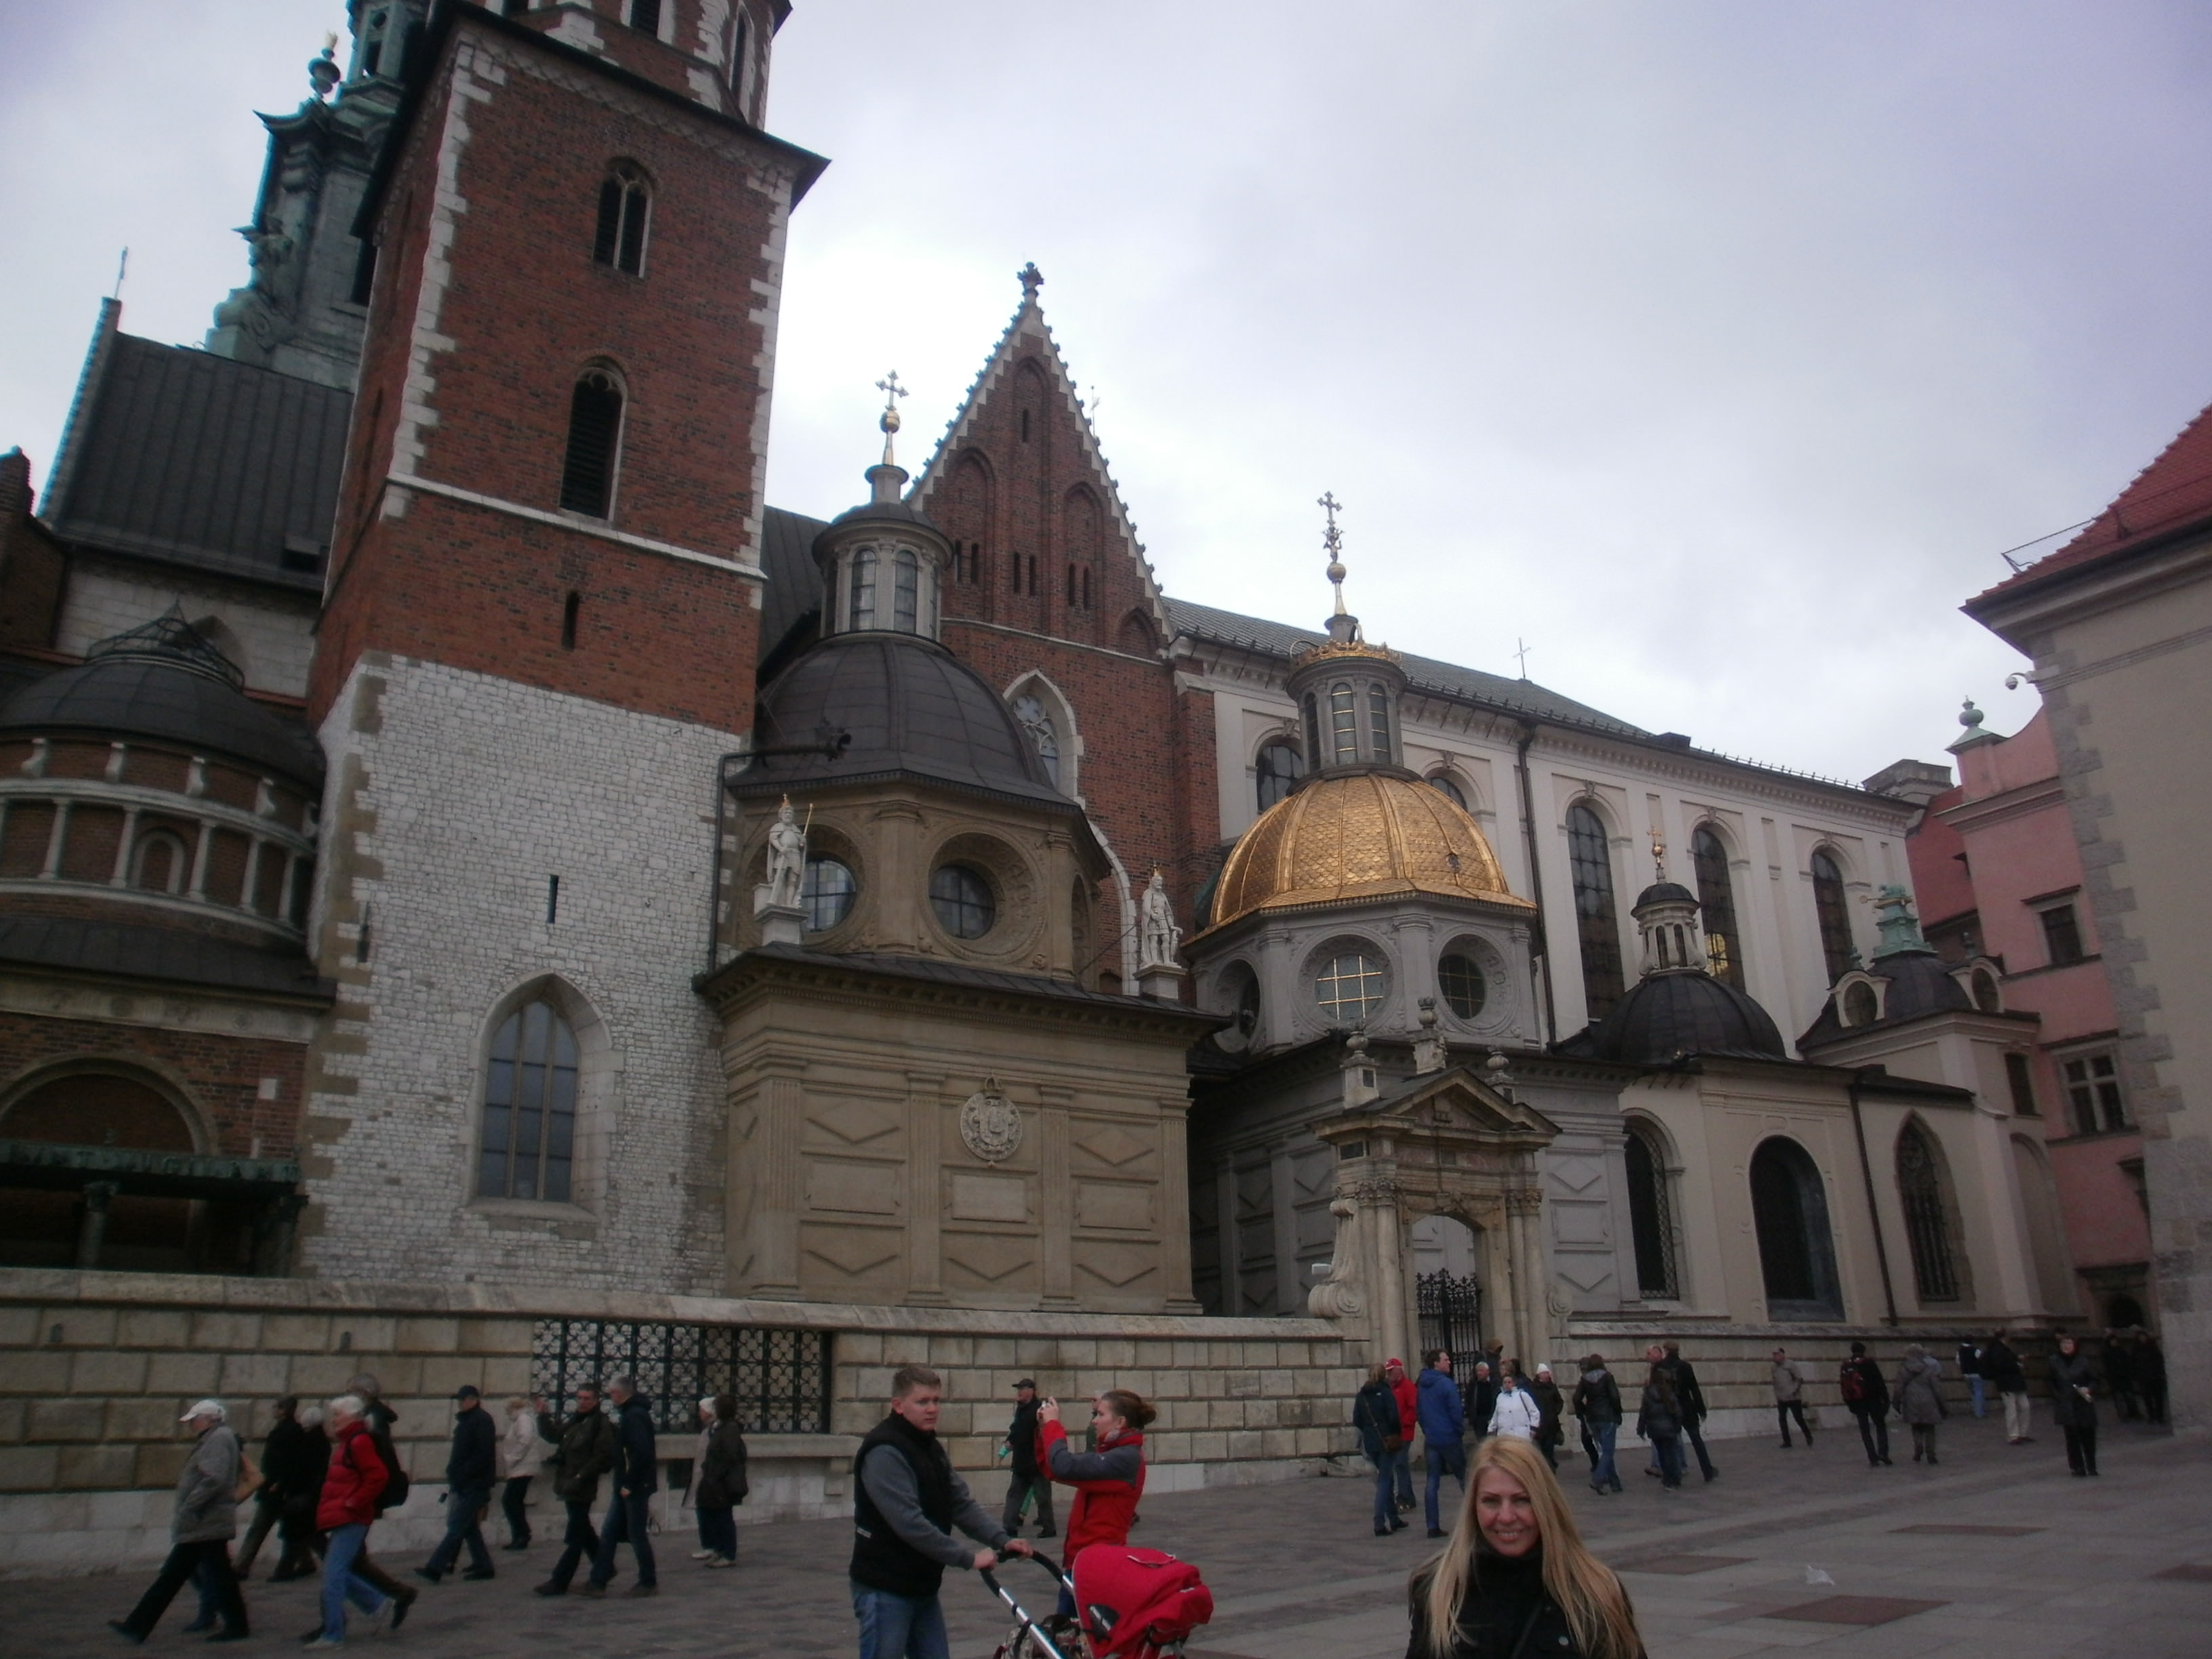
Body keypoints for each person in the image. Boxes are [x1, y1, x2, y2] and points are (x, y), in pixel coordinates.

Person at [1406, 1435, 1647, 1659]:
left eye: (1522, 1500)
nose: (1507, 1516)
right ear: (1473, 1507)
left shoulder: (1596, 1591)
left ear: (1545, 1504)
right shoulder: (1439, 1589)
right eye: (1491, 1501)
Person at [849, 1363, 1031, 1659]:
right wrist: (968, 1558)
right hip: (885, 1586)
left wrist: (1001, 1539)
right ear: (898, 1405)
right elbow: (909, 1523)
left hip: (921, 1585)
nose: (932, 1409)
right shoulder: (885, 1451)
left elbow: (959, 1502)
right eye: (922, 1402)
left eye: (936, 1400)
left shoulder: (928, 1444)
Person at [107, 1399, 251, 1645]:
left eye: (195, 1419)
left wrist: (190, 1505)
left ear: (208, 1418)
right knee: (213, 1576)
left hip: (204, 1521)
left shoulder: (217, 1439)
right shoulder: (217, 1437)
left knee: (173, 1576)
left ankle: (138, 1625)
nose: (192, 1424)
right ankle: (237, 1624)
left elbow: (213, 1479)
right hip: (206, 1522)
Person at [1040, 1388, 1152, 1618]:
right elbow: (1052, 1467)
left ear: (1120, 1422)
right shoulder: (1113, 1453)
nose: (1095, 1422)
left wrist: (1053, 1425)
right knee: (1066, 1638)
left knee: (1087, 1640)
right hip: (1080, 1562)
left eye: (1100, 1415)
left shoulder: (1125, 1458)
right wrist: (1041, 1428)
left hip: (1098, 1566)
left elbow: (1064, 1466)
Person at [306, 1393, 390, 1649]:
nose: (333, 1420)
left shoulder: (358, 1441)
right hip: (344, 1516)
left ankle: (333, 1634)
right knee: (337, 1572)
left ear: (353, 1416)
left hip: (352, 1517)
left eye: (337, 1415)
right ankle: (377, 1603)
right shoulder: (348, 1441)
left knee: (333, 1575)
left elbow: (378, 1475)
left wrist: (353, 1502)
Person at [343, 1372, 418, 1623]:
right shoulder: (373, 1418)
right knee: (349, 1558)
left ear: (362, 1394)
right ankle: (398, 1594)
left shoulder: (371, 1420)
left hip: (363, 1498)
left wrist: (359, 1496)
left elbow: (374, 1465)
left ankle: (333, 1621)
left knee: (344, 1559)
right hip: (363, 1497)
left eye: (351, 1391)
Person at [532, 1382, 618, 1597]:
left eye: (587, 1398)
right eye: (579, 1397)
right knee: (584, 1531)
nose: (582, 1402)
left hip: (583, 1485)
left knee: (576, 1535)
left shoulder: (600, 1423)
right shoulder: (576, 1421)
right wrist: (543, 1416)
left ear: (597, 1400)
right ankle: (605, 1567)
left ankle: (559, 1580)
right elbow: (554, 1435)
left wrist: (582, 1476)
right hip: (567, 1482)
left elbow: (602, 1456)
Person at [584, 1372, 659, 1596]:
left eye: (611, 1394)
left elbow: (640, 1453)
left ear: (618, 1394)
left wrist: (629, 1483)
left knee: (636, 1534)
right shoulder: (633, 1414)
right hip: (626, 1485)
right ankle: (598, 1581)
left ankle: (648, 1581)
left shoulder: (634, 1416)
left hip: (633, 1486)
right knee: (609, 1533)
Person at [418, 1383, 497, 1582]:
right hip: (466, 1481)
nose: (460, 1404)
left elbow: (483, 1453)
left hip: (474, 1482)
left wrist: (463, 1473)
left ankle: (435, 1567)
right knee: (469, 1527)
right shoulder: (469, 1420)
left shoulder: (481, 1421)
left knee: (456, 1526)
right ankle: (484, 1565)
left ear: (473, 1400)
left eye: (462, 1400)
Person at [230, 1395, 300, 1580]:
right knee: (295, 1530)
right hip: (277, 1487)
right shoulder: (287, 1430)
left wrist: (279, 1483)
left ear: (283, 1410)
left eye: (276, 1407)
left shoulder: (289, 1431)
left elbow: (289, 1462)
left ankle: (242, 1565)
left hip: (276, 1489)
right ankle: (305, 1560)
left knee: (260, 1527)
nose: (274, 1410)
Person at [691, 1394, 748, 1568]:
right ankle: (718, 1548)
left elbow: (729, 1455)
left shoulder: (730, 1429)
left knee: (723, 1517)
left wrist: (716, 1473)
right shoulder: (720, 1427)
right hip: (713, 1480)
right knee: (711, 1514)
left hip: (722, 1482)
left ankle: (728, 1553)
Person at [1417, 1351, 1468, 1538]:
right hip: (1449, 1438)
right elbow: (1456, 1411)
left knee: (1432, 1482)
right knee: (1465, 1479)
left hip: (1431, 1439)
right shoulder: (1446, 1384)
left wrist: (1427, 1429)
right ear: (1436, 1363)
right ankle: (1476, 1518)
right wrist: (1458, 1431)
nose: (1449, 1362)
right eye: (1446, 1360)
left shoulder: (1422, 1385)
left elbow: (1420, 1412)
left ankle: (1432, 1525)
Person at [1357, 1363, 1411, 1536]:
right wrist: (1394, 1432)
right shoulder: (1386, 1392)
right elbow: (1394, 1416)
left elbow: (1356, 1419)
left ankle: (1394, 1519)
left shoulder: (1362, 1395)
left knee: (1386, 1478)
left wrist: (1369, 1431)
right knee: (1385, 1481)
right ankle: (1379, 1522)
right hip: (1386, 1441)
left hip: (1371, 1442)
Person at [1000, 1378, 1057, 1541]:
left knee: (1043, 1497)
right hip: (1022, 1461)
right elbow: (1016, 1428)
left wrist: (1011, 1441)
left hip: (1037, 1461)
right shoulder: (1021, 1409)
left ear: (1032, 1390)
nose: (1019, 1392)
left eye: (1022, 1388)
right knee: (1015, 1495)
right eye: (1018, 1388)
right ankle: (1009, 1527)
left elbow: (1035, 1431)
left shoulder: (1039, 1410)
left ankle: (1048, 1527)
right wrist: (1009, 1441)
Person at [1661, 1345, 1716, 1483]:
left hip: (1669, 1409)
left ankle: (1673, 1475)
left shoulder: (1659, 1367)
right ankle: (1707, 1470)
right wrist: (1701, 1410)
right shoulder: (1685, 1366)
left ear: (1666, 1351)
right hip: (1687, 1407)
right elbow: (1694, 1389)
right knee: (1696, 1440)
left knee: (1671, 1443)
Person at [1570, 1355, 1622, 1496]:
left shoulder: (1585, 1379)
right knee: (1608, 1451)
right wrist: (1618, 1413)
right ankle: (1598, 1479)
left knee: (1605, 1450)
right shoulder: (1607, 1377)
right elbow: (1615, 1397)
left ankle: (1615, 1483)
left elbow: (1576, 1398)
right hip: (1607, 1416)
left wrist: (1583, 1410)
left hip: (1593, 1418)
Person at [501, 1393, 547, 1549]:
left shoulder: (523, 1419)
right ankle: (520, 1535)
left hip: (522, 1467)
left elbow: (525, 1440)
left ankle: (522, 1534)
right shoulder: (522, 1419)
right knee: (514, 1501)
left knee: (510, 1501)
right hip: (521, 1467)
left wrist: (513, 1458)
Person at [2051, 1335, 2100, 1477]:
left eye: (2069, 1343)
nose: (2066, 1346)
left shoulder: (2084, 1361)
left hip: (2083, 1403)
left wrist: (2088, 1389)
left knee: (2088, 1436)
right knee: (2072, 1437)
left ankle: (2091, 1465)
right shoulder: (2054, 1361)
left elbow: (2095, 1380)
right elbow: (2050, 1381)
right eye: (2063, 1344)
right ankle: (2077, 1466)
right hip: (2066, 1404)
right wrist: (2058, 1396)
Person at [1839, 1343, 1892, 1467]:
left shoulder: (1846, 1365)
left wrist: (1849, 1403)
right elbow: (1879, 1382)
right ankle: (1883, 1453)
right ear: (1864, 1351)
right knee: (1880, 1426)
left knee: (1865, 1431)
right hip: (1874, 1400)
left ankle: (1872, 1457)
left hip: (1857, 1402)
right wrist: (1886, 1399)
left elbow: (1843, 1385)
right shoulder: (1869, 1363)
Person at [1635, 1366, 1683, 1493]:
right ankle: (1675, 1479)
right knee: (1672, 1454)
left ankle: (1667, 1479)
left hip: (1655, 1429)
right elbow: (1677, 1411)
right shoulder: (1668, 1392)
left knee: (1662, 1455)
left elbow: (1643, 1413)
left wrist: (1641, 1429)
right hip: (1669, 1428)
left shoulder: (1648, 1393)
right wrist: (1677, 1426)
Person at [1893, 1345, 1944, 1465]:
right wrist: (1943, 1405)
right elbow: (1937, 1389)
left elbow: (1898, 1389)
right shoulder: (1928, 1369)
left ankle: (1919, 1447)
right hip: (1928, 1401)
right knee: (1930, 1428)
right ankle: (1931, 1454)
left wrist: (1896, 1402)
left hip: (1911, 1401)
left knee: (1916, 1427)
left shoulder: (1903, 1370)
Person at [1982, 1332, 2032, 1443]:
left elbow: (2010, 1360)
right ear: (2004, 1337)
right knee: (2013, 1409)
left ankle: (2021, 1433)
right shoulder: (1998, 1350)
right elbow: (2001, 1365)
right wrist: (2017, 1365)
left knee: (2023, 1407)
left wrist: (2018, 1361)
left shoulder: (2004, 1349)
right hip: (2007, 1382)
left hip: (2014, 1382)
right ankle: (2014, 1435)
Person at [1388, 1358, 1420, 1511]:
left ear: (1399, 1371)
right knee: (1400, 1465)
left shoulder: (1408, 1387)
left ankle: (1403, 1497)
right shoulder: (1391, 1388)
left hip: (1405, 1432)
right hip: (1395, 1432)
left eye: (1391, 1371)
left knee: (1400, 1463)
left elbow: (1413, 1409)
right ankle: (1408, 1497)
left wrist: (1402, 1423)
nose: (1388, 1375)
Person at [1770, 1348, 1813, 1448]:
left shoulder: (1790, 1365)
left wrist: (1794, 1391)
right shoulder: (1774, 1368)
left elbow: (1799, 1379)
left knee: (1798, 1418)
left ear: (1782, 1355)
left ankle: (1808, 1435)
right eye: (1774, 1355)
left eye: (1777, 1354)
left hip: (1793, 1397)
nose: (1774, 1357)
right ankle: (1787, 1441)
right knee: (1782, 1419)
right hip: (1781, 1397)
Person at [1528, 1365, 1566, 1472]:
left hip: (1551, 1422)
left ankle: (1550, 1467)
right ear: (1539, 1375)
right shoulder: (1533, 1388)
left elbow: (1559, 1401)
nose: (1547, 1375)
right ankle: (1548, 1465)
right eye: (1544, 1373)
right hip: (1539, 1423)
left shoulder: (1552, 1387)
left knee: (1549, 1447)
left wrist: (1555, 1412)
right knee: (1542, 1448)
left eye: (1547, 1373)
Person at [2102, 1330, 2140, 1422]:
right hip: (2115, 1379)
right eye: (2113, 1341)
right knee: (2119, 1399)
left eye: (2115, 1341)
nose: (2115, 1343)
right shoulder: (2107, 1353)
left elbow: (2127, 1363)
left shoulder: (2121, 1351)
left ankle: (2134, 1413)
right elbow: (2107, 1367)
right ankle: (2123, 1415)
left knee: (2130, 1397)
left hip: (2125, 1377)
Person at [2137, 1329, 2169, 1425]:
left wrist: (2160, 1373)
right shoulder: (2136, 1349)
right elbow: (2134, 1364)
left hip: (2155, 1377)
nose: (2143, 1339)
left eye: (2144, 1336)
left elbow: (2159, 1361)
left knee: (2158, 1398)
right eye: (2141, 1337)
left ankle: (2160, 1416)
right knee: (2147, 1399)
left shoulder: (2153, 1348)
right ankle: (2151, 1415)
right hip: (2144, 1378)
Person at [1466, 1360, 1500, 1448]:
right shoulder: (1473, 1384)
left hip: (1492, 1417)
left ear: (1487, 1372)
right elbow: (1469, 1400)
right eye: (1477, 1371)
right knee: (1482, 1443)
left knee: (1494, 1443)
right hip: (1479, 1419)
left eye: (1481, 1371)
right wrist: (1471, 1415)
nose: (1479, 1373)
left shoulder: (1494, 1383)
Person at [1956, 1339, 1986, 1418]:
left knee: (1973, 1393)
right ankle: (1979, 1413)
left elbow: (1958, 1362)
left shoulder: (1960, 1351)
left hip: (1966, 1374)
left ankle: (1975, 1409)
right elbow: (1982, 1360)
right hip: (1977, 1374)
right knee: (1979, 1393)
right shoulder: (1975, 1350)